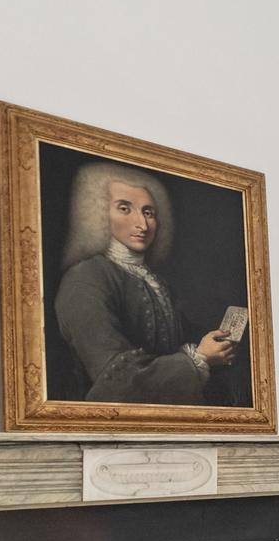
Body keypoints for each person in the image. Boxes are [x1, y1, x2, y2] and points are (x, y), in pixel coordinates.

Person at [52, 161, 239, 404]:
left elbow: (178, 338)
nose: (142, 224)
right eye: (124, 208)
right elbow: (115, 378)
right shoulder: (86, 278)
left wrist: (218, 343)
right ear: (97, 213)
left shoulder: (155, 282)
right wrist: (199, 358)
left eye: (148, 212)